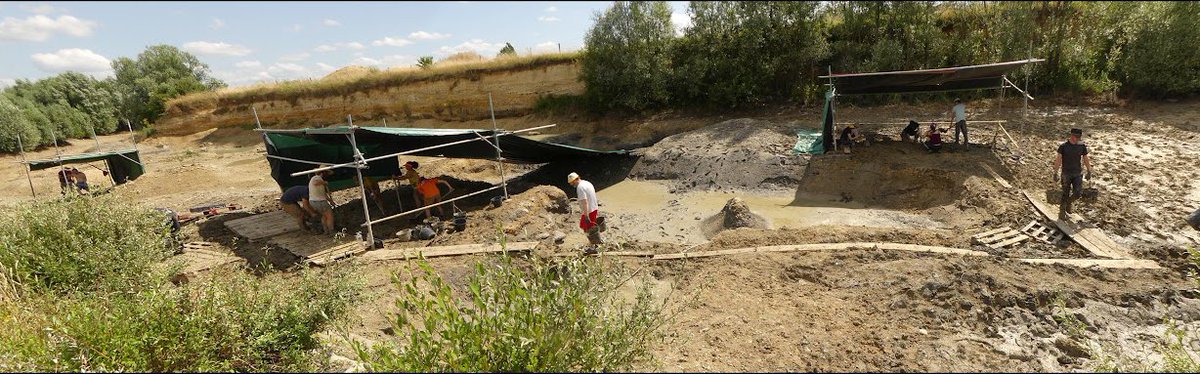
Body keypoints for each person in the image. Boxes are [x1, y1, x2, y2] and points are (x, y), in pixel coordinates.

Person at [1054, 128, 1092, 215]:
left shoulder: (1081, 146)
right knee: (1065, 193)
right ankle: (1062, 212)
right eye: (1076, 137)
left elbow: (1085, 159)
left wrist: (1089, 171)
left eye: (1079, 137)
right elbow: (1058, 160)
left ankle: (1069, 202)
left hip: (1077, 173)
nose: (1077, 139)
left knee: (1078, 193)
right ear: (1071, 135)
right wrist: (1055, 173)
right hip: (1066, 174)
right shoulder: (1063, 147)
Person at [568, 172, 603, 253]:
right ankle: (597, 242)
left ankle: (592, 247)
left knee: (588, 229)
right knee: (590, 227)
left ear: (574, 180)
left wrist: (586, 216)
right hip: (594, 208)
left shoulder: (580, 187)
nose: (571, 185)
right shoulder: (587, 183)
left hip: (588, 211)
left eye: (571, 183)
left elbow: (585, 202)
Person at [308, 167, 336, 235]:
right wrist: (324, 182)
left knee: (324, 216)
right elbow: (315, 182)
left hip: (314, 201)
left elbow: (323, 194)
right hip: (319, 201)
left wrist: (330, 201)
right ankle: (331, 231)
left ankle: (326, 231)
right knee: (329, 216)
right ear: (323, 173)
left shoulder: (318, 181)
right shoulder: (316, 178)